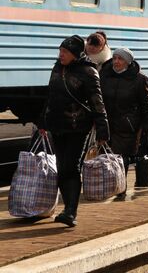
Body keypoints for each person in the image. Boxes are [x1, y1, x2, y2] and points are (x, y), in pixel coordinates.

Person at [38, 35, 109, 227]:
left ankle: (71, 211)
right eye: (60, 51)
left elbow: (97, 103)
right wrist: (42, 122)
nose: (60, 55)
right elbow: (50, 96)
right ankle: (67, 209)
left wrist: (103, 131)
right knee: (62, 168)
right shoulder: (57, 68)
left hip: (78, 127)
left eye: (65, 52)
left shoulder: (88, 72)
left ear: (75, 54)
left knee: (72, 167)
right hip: (57, 126)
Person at [100, 48, 148, 198]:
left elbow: (147, 104)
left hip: (127, 125)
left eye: (120, 59)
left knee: (121, 158)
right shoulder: (104, 76)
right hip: (107, 123)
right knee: (107, 157)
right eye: (115, 58)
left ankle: (121, 189)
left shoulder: (139, 79)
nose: (116, 61)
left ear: (128, 62)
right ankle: (111, 186)